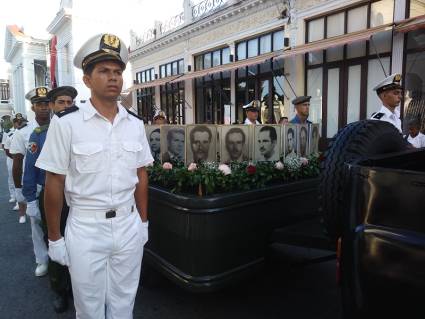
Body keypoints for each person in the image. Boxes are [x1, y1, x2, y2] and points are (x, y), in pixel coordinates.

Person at [35, 33, 153, 319]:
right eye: (103, 71)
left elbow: (141, 175)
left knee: (125, 301)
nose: (113, 77)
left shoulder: (134, 123)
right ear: (87, 80)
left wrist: (143, 222)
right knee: (88, 307)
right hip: (86, 227)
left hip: (127, 223)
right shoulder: (67, 123)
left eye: (117, 72)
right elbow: (55, 182)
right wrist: (54, 238)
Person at [23, 85, 77, 313]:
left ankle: (77, 285)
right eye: (61, 102)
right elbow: (29, 169)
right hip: (52, 195)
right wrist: (30, 201)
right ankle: (59, 290)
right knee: (55, 241)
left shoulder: (82, 128)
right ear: (53, 106)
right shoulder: (40, 134)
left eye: (69, 102)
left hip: (77, 195)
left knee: (78, 242)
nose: (66, 106)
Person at [11, 87, 50, 277]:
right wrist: (20, 194)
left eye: (46, 103)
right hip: (36, 185)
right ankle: (42, 259)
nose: (43, 108)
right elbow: (17, 163)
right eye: (39, 104)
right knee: (36, 225)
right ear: (33, 107)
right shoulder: (23, 133)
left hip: (60, 185)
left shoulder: (61, 125)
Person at [2, 115, 18, 206]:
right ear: (13, 122)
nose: (17, 123)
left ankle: (21, 200)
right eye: (15, 121)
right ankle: (13, 196)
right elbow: (4, 146)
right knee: (11, 177)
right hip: (11, 158)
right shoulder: (7, 132)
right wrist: (13, 157)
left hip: (22, 158)